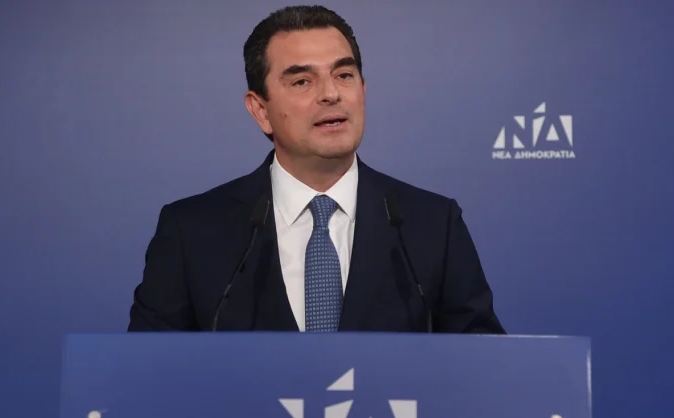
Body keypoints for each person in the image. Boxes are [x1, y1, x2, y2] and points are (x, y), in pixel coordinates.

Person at [128, 5, 504, 334]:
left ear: (363, 90)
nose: (331, 94)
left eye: (344, 75)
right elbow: (147, 374)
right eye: (302, 81)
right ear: (261, 110)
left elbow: (481, 367)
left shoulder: (434, 224)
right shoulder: (191, 232)